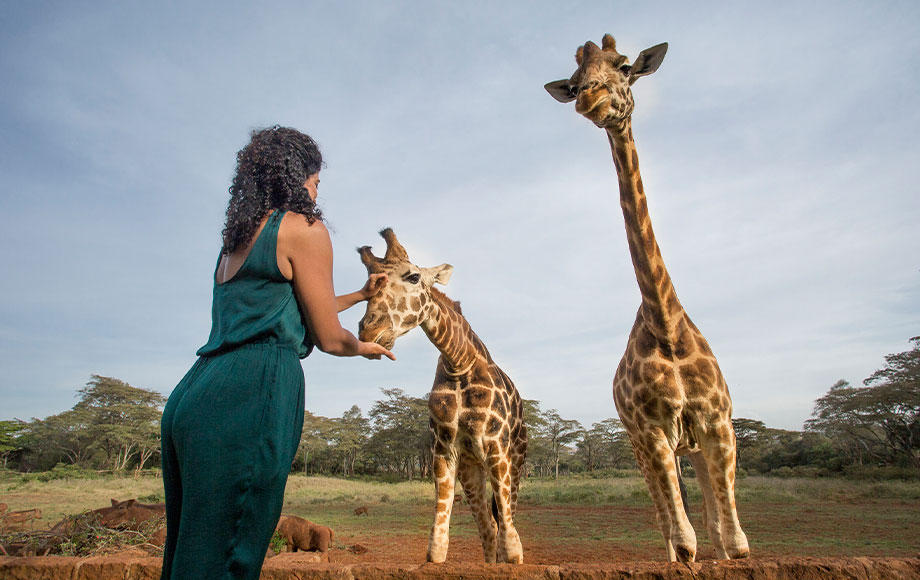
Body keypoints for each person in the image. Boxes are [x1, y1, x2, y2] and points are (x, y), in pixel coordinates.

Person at [159, 126, 394, 579]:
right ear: (297, 175)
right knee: (233, 553)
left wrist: (360, 295)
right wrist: (363, 346)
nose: (316, 188)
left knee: (194, 550)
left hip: (198, 390)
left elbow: (290, 305)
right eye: (316, 180)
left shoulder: (235, 243)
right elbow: (329, 337)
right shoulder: (304, 228)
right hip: (253, 390)